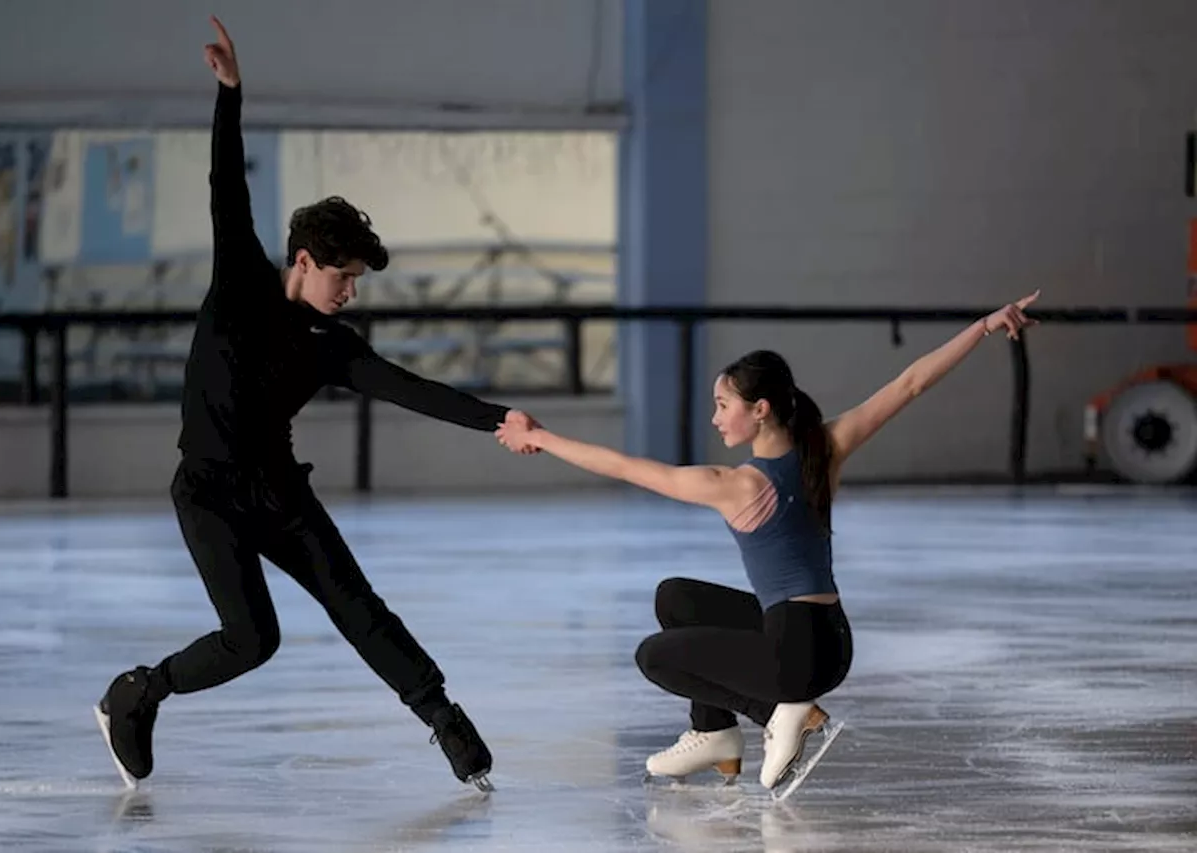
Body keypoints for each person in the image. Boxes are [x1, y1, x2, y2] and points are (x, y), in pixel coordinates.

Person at [95, 16, 538, 793]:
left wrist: (498, 418)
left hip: (279, 491)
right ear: (305, 260)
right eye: (346, 275)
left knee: (354, 600)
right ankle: (137, 693)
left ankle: (445, 721)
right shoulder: (240, 279)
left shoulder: (333, 345)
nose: (352, 289)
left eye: (360, 279)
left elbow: (411, 389)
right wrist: (232, 94)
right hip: (208, 492)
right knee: (252, 638)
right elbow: (225, 183)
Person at [497, 293, 1041, 791]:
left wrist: (539, 437)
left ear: (759, 410)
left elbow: (624, 466)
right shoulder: (828, 445)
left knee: (654, 657)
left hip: (795, 660)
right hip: (833, 640)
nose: (715, 418)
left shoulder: (736, 485)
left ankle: (782, 713)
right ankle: (714, 736)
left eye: (722, 405)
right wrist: (984, 327)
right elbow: (910, 384)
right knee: (676, 598)